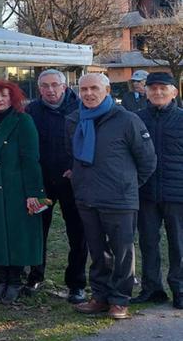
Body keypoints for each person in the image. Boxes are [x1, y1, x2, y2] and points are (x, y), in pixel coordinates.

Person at [67, 73, 156, 320]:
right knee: (97, 251)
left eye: (94, 88)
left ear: (107, 91)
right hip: (87, 197)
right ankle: (100, 297)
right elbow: (72, 155)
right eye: (84, 89)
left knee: (122, 251)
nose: (88, 94)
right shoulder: (74, 120)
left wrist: (127, 184)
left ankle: (120, 299)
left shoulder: (127, 120)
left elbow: (148, 160)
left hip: (119, 198)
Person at [0, 80, 47, 305]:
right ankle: (1, 280)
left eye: (4, 96)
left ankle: (14, 281)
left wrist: (33, 192)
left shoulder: (23, 121)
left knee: (16, 235)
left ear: (12, 98)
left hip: (16, 188)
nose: (0, 100)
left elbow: (31, 159)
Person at [25, 69, 87, 303]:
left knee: (77, 233)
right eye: (45, 86)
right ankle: (35, 275)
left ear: (64, 86)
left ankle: (77, 284)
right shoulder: (31, 110)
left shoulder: (80, 108)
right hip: (42, 183)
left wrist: (76, 167)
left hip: (72, 181)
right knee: (38, 230)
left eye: (54, 85)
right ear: (39, 88)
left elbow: (88, 141)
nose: (50, 90)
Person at [133, 72, 183, 309]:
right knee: (148, 242)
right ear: (146, 92)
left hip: (177, 193)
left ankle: (179, 289)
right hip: (146, 193)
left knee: (179, 244)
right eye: (153, 88)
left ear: (174, 92)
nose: (158, 92)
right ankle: (152, 288)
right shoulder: (136, 119)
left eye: (163, 88)